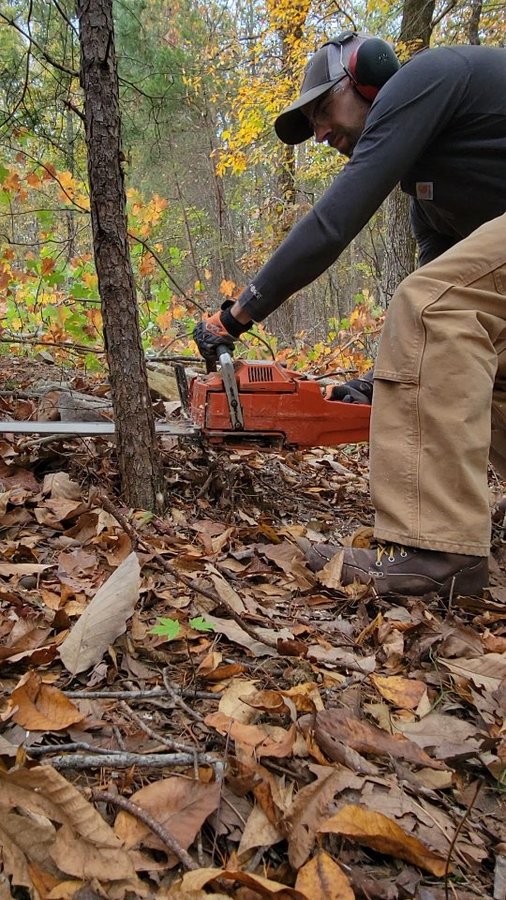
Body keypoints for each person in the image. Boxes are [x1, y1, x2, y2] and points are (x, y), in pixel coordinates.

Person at [194, 30, 506, 598]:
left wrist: (235, 316)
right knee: (486, 364)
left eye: (322, 109)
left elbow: (335, 222)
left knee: (431, 304)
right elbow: (446, 313)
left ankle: (439, 556)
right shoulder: (432, 194)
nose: (319, 132)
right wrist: (382, 385)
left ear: (367, 77)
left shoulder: (422, 77)